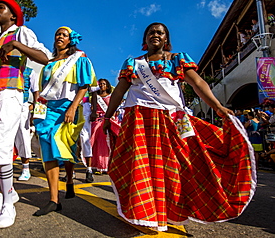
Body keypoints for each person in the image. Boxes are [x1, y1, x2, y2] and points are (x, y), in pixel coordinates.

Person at [103, 22, 256, 231]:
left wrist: (218, 106)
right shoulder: (133, 63)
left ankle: (171, 211)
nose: (155, 35)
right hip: (138, 118)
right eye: (151, 32)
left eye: (160, 32)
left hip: (173, 118)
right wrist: (107, 116)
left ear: (166, 39)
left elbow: (198, 84)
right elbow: (119, 92)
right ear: (145, 39)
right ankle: (144, 212)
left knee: (177, 165)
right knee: (140, 166)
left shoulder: (177, 59)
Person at [0, 0, 49, 228]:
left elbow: (44, 57)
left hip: (11, 91)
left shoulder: (21, 32)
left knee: (1, 145)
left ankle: (9, 203)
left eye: (1, 7)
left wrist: (17, 45)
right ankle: (6, 193)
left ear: (13, 14)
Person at [33, 26, 97, 216]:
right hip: (48, 108)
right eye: (57, 34)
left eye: (64, 35)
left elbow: (84, 85)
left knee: (63, 144)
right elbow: (42, 90)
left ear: (71, 40)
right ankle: (54, 199)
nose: (60, 36)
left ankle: (69, 178)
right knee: (47, 149)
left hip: (68, 106)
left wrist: (73, 107)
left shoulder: (79, 58)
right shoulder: (49, 63)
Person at [90, 78, 120, 174]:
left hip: (109, 120)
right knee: (97, 142)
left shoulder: (111, 97)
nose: (102, 85)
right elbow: (91, 108)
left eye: (104, 84)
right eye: (100, 84)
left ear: (107, 86)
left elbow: (116, 109)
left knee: (109, 143)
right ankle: (98, 165)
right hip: (98, 121)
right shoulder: (95, 97)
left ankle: (108, 165)